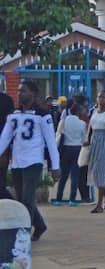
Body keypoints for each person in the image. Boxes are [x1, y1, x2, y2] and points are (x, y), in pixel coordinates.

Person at [0, 81, 60, 241]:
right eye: (19, 91)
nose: (20, 94)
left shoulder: (43, 115)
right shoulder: (14, 114)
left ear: (33, 93)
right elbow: (5, 138)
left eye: (23, 91)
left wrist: (56, 166)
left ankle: (23, 233)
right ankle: (40, 225)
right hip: (18, 162)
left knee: (27, 198)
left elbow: (51, 142)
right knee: (21, 199)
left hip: (34, 161)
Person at [84, 90, 105, 214]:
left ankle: (99, 203)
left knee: (100, 172)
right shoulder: (93, 111)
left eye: (104, 97)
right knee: (93, 172)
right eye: (99, 97)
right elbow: (90, 127)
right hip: (94, 142)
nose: (101, 99)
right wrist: (87, 140)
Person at [53, 103, 86, 206]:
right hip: (77, 149)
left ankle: (58, 198)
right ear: (77, 112)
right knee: (75, 175)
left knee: (63, 175)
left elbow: (58, 135)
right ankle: (72, 199)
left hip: (65, 149)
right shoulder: (82, 123)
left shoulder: (63, 121)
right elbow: (84, 139)